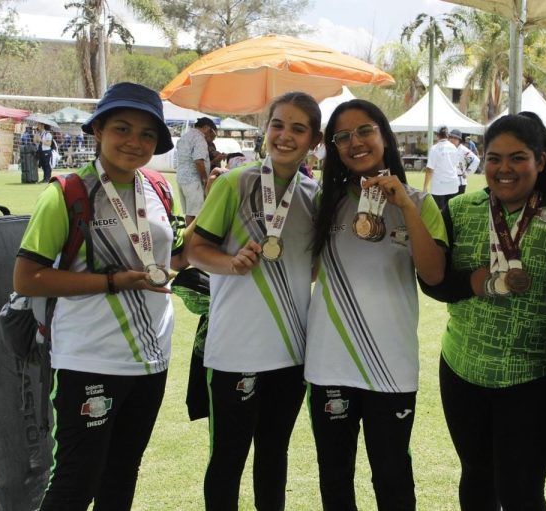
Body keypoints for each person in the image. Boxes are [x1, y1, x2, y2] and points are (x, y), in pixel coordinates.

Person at [12, 82, 189, 510]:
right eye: (122, 128)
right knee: (76, 483)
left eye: (148, 134)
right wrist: (112, 281)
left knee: (122, 473)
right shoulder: (67, 193)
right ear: (98, 131)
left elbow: (174, 258)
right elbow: (27, 278)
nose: (135, 142)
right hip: (89, 358)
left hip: (152, 360)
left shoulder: (158, 189)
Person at [420, 112, 546, 511]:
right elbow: (433, 283)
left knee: (521, 491)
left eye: (518, 158)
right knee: (476, 478)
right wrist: (479, 281)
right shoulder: (460, 209)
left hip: (532, 377)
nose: (504, 169)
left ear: (540, 160)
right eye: (494, 158)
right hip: (462, 370)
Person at [306, 98, 447, 510]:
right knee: (334, 478)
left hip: (391, 365)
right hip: (329, 363)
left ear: (384, 135)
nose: (355, 142)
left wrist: (403, 205)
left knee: (393, 477)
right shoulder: (323, 202)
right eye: (343, 137)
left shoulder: (420, 203)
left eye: (364, 131)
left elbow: (434, 274)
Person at [187, 92, 322, 511]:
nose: (285, 136)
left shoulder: (314, 195)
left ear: (314, 139)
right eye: (278, 124)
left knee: (273, 456)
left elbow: (312, 267)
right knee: (227, 459)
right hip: (235, 350)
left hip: (291, 352)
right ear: (266, 130)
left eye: (298, 128)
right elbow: (194, 250)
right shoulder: (235, 182)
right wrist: (230, 263)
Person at [176, 116, 217, 225]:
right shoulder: (199, 138)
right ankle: (192, 239)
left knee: (190, 212)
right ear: (207, 128)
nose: (212, 138)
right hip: (193, 181)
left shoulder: (185, 136)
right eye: (213, 134)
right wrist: (205, 179)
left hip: (182, 179)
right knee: (197, 214)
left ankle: (188, 237)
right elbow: (198, 161)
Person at [424, 126, 463, 210]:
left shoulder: (434, 149)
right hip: (453, 185)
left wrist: (425, 186)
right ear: (448, 135)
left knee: (439, 213)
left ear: (437, 135)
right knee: (451, 212)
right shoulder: (454, 148)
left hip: (439, 187)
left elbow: (429, 170)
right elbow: (456, 165)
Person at [448, 128, 481, 195]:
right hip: (448, 181)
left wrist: (467, 172)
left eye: (455, 138)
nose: (452, 140)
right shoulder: (447, 149)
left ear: (459, 140)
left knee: (456, 204)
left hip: (459, 183)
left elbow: (476, 160)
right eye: (451, 137)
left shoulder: (464, 150)